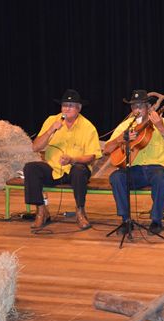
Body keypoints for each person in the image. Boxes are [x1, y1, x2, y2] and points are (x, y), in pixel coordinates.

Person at [104, 89, 164, 235]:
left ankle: (156, 220)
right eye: (134, 106)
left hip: (157, 169)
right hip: (135, 171)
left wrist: (161, 128)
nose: (137, 109)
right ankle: (126, 220)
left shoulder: (162, 122)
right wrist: (120, 139)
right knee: (116, 177)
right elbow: (107, 149)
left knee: (160, 177)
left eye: (140, 105)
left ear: (148, 107)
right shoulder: (126, 125)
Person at [24, 89, 101, 231]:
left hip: (75, 169)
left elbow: (91, 156)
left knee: (79, 170)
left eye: (71, 105)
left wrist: (72, 159)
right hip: (54, 168)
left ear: (79, 108)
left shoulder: (88, 127)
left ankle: (80, 212)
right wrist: (51, 130)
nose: (67, 108)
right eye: (64, 105)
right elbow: (35, 147)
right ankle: (41, 211)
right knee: (30, 168)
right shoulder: (52, 121)